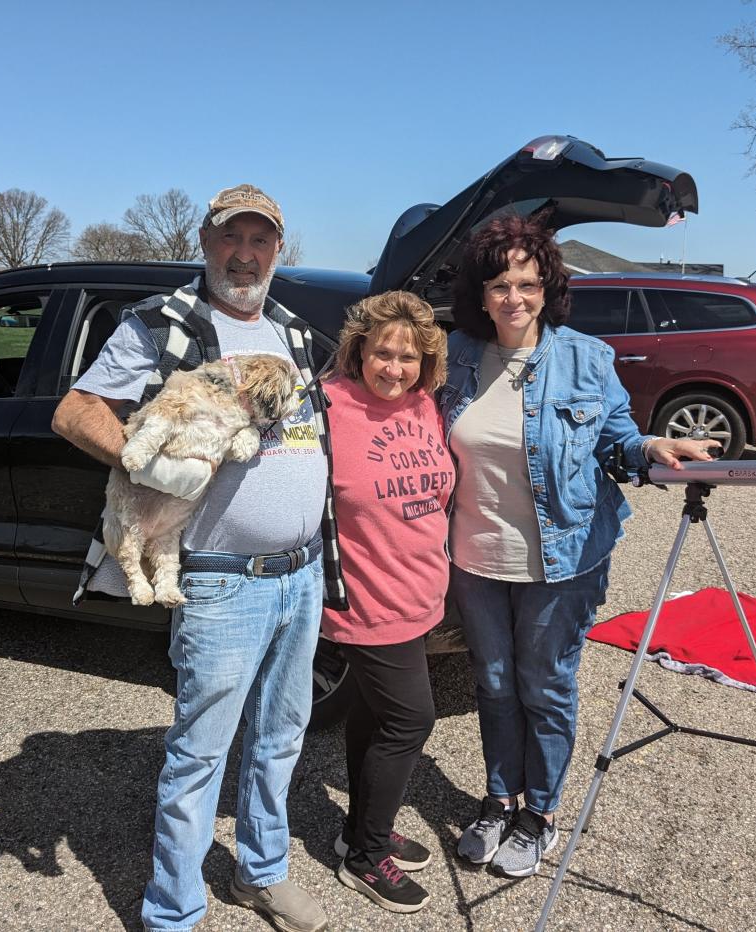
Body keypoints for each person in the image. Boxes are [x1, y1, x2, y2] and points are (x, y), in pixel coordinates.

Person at [52, 184, 341, 932]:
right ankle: (173, 911)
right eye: (230, 238)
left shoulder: (294, 333)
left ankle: (261, 873)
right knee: (199, 755)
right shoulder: (161, 324)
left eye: (261, 241)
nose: (244, 255)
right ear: (206, 242)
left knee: (281, 737)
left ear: (279, 250)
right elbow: (75, 411)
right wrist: (150, 468)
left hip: (301, 572)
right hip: (220, 580)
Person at [438, 215, 718, 880]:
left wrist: (653, 446)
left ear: (548, 288)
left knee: (545, 685)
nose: (514, 297)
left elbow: (618, 439)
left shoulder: (585, 357)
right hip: (474, 556)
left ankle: (540, 812)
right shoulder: (454, 355)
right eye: (500, 284)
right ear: (481, 293)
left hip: (561, 558)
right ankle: (499, 799)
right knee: (495, 684)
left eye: (527, 284)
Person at [321, 291, 451, 914]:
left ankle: (360, 825)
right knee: (409, 719)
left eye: (408, 357)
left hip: (421, 591)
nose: (394, 368)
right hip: (367, 599)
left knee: (374, 715)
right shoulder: (328, 406)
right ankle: (366, 857)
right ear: (358, 351)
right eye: (382, 354)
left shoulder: (427, 405)